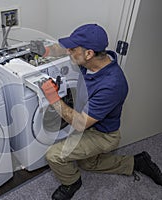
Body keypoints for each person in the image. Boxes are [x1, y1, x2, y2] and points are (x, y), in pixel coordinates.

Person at [30, 24, 162, 200]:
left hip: (103, 135)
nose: (68, 51)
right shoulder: (93, 60)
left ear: (89, 53)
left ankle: (72, 182)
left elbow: (79, 123)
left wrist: (53, 98)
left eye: (73, 49)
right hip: (91, 124)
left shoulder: (112, 85)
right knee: (89, 164)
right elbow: (61, 50)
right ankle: (136, 162)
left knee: (54, 155)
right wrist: (45, 51)